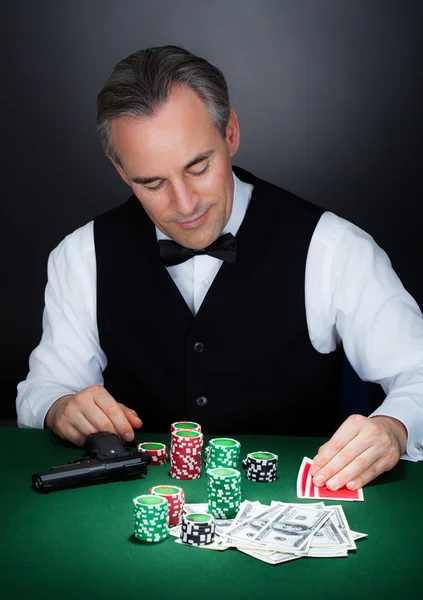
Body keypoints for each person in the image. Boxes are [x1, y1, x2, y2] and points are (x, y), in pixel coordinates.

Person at [16, 46, 423, 494]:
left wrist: (393, 426)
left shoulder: (335, 248)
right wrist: (59, 406)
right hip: (130, 511)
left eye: (198, 167)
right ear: (120, 171)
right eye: (151, 183)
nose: (184, 204)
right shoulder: (80, 256)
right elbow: (42, 391)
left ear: (229, 133)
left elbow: (417, 373)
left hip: (293, 510)